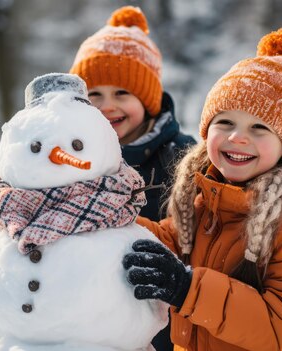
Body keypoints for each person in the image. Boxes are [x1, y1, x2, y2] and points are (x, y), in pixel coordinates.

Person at [123, 29, 282, 351]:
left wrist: (187, 289)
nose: (238, 137)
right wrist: (108, 222)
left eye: (259, 128)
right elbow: (163, 241)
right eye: (225, 122)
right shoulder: (203, 200)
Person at [70, 9, 195, 349]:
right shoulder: (69, 158)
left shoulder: (181, 157)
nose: (107, 106)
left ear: (148, 98)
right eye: (94, 95)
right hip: (92, 318)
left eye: (122, 93)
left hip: (163, 318)